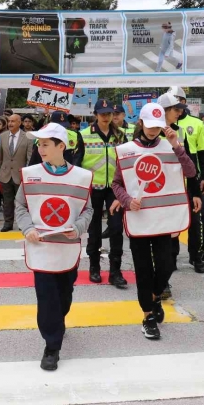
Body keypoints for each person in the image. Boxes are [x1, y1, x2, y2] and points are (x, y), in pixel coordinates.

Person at [110, 103, 198, 340]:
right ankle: (148, 316)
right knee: (143, 270)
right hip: (139, 219)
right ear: (140, 123)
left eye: (158, 126)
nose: (153, 130)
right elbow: (116, 183)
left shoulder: (172, 146)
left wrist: (176, 145)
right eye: (149, 125)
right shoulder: (126, 149)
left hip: (164, 219)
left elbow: (190, 172)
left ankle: (155, 296)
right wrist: (127, 200)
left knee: (166, 264)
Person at [15, 122, 94, 371]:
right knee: (46, 296)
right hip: (41, 248)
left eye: (46, 144)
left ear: (62, 146)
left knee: (64, 295)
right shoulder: (30, 174)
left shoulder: (80, 177)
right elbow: (20, 206)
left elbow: (88, 209)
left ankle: (57, 324)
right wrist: (28, 229)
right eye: (39, 144)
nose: (41, 148)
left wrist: (79, 227)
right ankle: (51, 346)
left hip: (68, 247)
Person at [77, 99, 126, 288]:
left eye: (109, 113)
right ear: (95, 114)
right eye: (102, 113)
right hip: (93, 189)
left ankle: (116, 271)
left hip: (115, 189)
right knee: (94, 230)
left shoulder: (120, 136)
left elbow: (127, 162)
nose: (106, 116)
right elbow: (77, 163)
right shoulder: (84, 135)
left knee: (116, 229)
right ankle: (94, 268)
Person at [156, 93, 204, 273]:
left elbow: (190, 165)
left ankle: (179, 259)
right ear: (164, 111)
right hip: (157, 193)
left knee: (178, 228)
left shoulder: (180, 132)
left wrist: (195, 193)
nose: (179, 113)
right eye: (176, 110)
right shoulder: (149, 133)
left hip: (179, 190)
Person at [168, 86, 204, 264]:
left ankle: (197, 256)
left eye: (179, 100)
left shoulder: (197, 124)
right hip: (171, 180)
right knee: (172, 221)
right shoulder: (162, 126)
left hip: (192, 178)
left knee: (197, 219)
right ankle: (171, 257)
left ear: (184, 102)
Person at [0, 114, 33, 232]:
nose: (10, 123)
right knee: (7, 201)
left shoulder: (27, 137)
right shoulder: (3, 136)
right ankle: (8, 223)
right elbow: (0, 157)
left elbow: (29, 158)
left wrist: (27, 173)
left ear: (19, 122)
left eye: (13, 121)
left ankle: (22, 223)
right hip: (5, 174)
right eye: (9, 121)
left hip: (20, 175)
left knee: (21, 202)